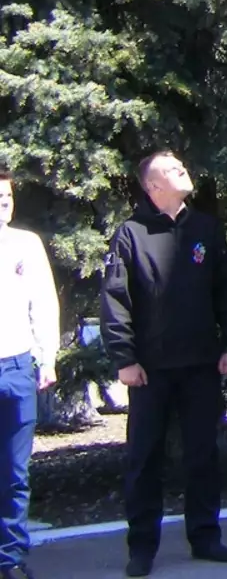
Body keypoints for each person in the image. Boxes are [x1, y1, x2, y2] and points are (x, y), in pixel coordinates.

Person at [101, 152, 227, 576]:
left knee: (203, 454)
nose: (184, 169)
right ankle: (141, 547)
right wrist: (124, 358)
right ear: (153, 187)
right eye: (172, 168)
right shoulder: (131, 234)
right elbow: (115, 301)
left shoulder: (205, 228)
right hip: (150, 371)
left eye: (184, 164)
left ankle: (206, 537)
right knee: (145, 458)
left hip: (201, 363)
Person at [0, 170, 59, 579]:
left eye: (6, 196)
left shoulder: (26, 244)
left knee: (14, 473)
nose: (3, 203)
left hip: (17, 368)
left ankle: (10, 559)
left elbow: (44, 302)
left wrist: (48, 358)